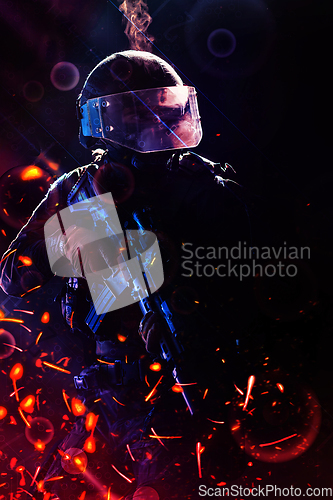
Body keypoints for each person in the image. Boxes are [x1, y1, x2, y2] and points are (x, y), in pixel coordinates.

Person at [0, 50, 251, 499]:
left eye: (165, 111)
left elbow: (259, 286)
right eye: (143, 115)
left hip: (196, 393)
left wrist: (190, 300)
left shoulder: (205, 189)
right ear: (112, 123)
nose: (158, 125)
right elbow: (11, 279)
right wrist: (80, 233)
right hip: (105, 400)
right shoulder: (81, 186)